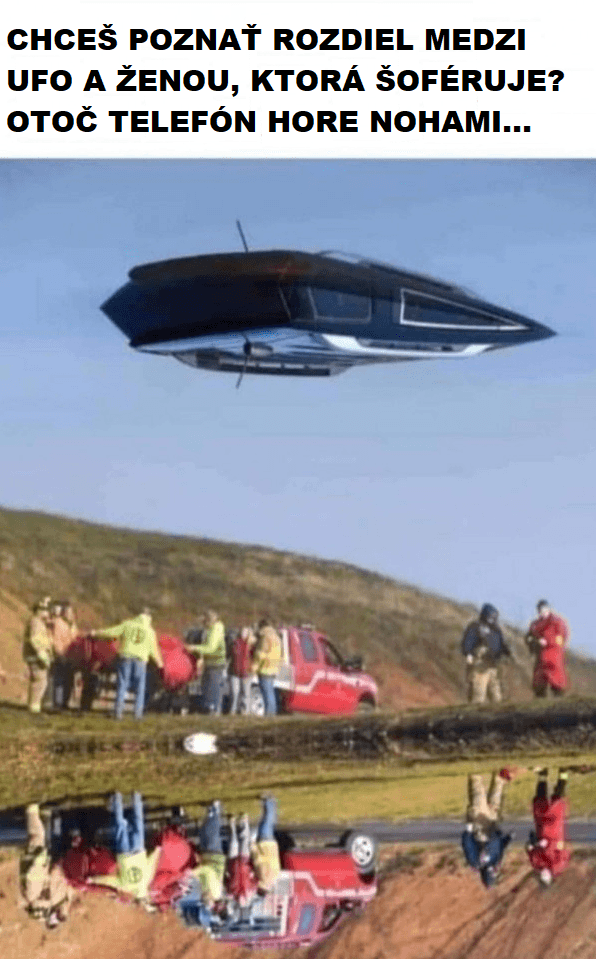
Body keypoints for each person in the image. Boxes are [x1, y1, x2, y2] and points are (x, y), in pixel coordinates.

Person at [88, 792, 161, 907]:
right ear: (134, 896)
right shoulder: (126, 887)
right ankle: (117, 798)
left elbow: (151, 863)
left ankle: (136, 796)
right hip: (124, 855)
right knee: (120, 826)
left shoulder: (147, 880)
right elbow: (110, 881)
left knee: (138, 823)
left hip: (138, 851)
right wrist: (93, 880)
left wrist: (157, 851)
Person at [92, 608, 163, 719]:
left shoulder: (128, 625)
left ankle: (118, 712)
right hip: (140, 660)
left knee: (122, 684)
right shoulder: (150, 631)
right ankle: (137, 714)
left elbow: (112, 632)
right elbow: (154, 650)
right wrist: (160, 663)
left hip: (126, 656)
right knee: (140, 687)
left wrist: (96, 633)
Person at [19, 802, 73, 927]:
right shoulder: (52, 899)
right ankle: (47, 814)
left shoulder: (34, 893)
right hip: (47, 863)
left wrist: (44, 862)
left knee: (41, 838)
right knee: (50, 840)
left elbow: (34, 873)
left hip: (38, 861)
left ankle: (34, 811)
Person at [461, 768, 517, 888]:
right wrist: (509, 838)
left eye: (492, 874)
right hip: (493, 826)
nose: (494, 871)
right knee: (495, 801)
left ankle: (476, 772)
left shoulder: (476, 862)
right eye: (494, 874)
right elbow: (501, 847)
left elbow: (468, 846)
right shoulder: (496, 862)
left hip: (480, 826)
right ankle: (499, 778)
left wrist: (468, 831)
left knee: (478, 797)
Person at [526, 768, 571, 885]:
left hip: (541, 829)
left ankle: (543, 774)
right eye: (546, 877)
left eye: (542, 877)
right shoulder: (559, 865)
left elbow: (530, 851)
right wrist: (550, 845)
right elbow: (564, 849)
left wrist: (532, 845)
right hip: (554, 831)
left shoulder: (536, 864)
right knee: (557, 800)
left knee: (539, 801)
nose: (544, 874)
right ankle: (563, 774)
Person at [461, 603, 512, 704]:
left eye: (494, 617)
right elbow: (469, 641)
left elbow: (501, 644)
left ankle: (497, 711)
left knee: (496, 696)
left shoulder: (496, 630)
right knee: (478, 694)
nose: (492, 619)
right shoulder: (476, 627)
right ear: (485, 615)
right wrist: (469, 654)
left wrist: (507, 652)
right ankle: (474, 711)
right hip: (480, 666)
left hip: (493, 666)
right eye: (490, 616)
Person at [187, 800, 226, 923]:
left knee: (204, 831)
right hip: (214, 857)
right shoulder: (215, 892)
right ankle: (215, 808)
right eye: (205, 900)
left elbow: (203, 875)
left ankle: (210, 811)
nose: (203, 897)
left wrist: (196, 874)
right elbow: (208, 871)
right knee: (211, 831)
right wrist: (193, 873)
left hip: (207, 857)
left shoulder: (207, 891)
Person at [526, 600, 569, 697]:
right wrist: (535, 642)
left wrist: (548, 641)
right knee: (539, 682)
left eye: (545, 609)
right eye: (540, 610)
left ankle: (559, 699)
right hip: (540, 656)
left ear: (549, 609)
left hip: (554, 656)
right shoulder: (535, 624)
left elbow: (561, 638)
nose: (543, 611)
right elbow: (529, 637)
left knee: (557, 682)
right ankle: (540, 700)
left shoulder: (557, 622)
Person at [187, 610, 227, 715]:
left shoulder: (215, 629)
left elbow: (210, 648)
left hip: (215, 663)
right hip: (209, 662)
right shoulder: (209, 630)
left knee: (212, 687)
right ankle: (209, 708)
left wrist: (194, 648)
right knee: (206, 687)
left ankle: (213, 709)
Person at [23, 599, 53, 713]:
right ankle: (34, 707)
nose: (48, 612)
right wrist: (42, 654)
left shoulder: (37, 622)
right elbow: (35, 639)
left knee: (37, 681)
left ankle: (33, 706)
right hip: (36, 657)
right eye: (45, 610)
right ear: (40, 610)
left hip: (34, 656)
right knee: (40, 682)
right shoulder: (36, 622)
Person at [49, 600, 78, 709]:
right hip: (61, 655)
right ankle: (57, 703)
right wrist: (59, 653)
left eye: (71, 612)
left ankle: (65, 703)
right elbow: (55, 639)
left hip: (72, 657)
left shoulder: (73, 625)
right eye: (67, 612)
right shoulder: (58, 623)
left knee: (69, 681)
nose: (70, 614)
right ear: (63, 612)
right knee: (59, 680)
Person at [250, 795, 281, 894]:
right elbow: (259, 860)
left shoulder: (273, 879)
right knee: (265, 823)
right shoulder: (263, 878)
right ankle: (269, 802)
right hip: (265, 846)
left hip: (272, 847)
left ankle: (271, 804)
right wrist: (253, 847)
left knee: (268, 824)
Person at [226, 813, 258, 908]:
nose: (241, 899)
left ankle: (232, 823)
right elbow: (256, 880)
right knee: (244, 841)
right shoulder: (251, 890)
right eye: (244, 900)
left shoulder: (231, 892)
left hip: (232, 862)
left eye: (239, 901)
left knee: (233, 841)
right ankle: (244, 821)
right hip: (245, 861)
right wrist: (252, 872)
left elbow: (226, 880)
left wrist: (227, 872)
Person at [252, 618, 282, 716]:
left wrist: (256, 656)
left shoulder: (265, 637)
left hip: (265, 667)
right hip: (273, 667)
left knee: (266, 693)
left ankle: (269, 713)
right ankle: (272, 712)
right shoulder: (276, 636)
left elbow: (262, 653)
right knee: (270, 692)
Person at [229, 627, 256, 715]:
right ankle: (233, 710)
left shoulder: (252, 644)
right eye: (242, 631)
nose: (243, 633)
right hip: (234, 671)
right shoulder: (235, 642)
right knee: (234, 692)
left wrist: (254, 667)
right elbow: (230, 655)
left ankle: (245, 711)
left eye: (245, 631)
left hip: (247, 672)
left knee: (246, 693)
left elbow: (255, 656)